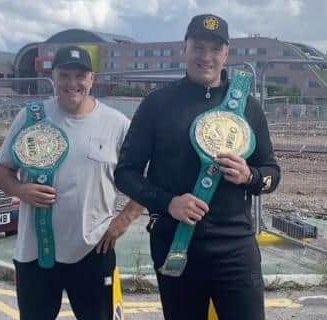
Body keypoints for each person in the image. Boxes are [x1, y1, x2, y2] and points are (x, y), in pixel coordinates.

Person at [114, 14, 281, 320]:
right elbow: (125, 174)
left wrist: (250, 176)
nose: (207, 57)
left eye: (215, 49)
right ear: (185, 49)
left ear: (227, 54)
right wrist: (168, 203)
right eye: (199, 47)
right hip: (175, 244)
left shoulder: (247, 107)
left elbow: (272, 173)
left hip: (234, 247)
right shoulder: (157, 104)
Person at [0, 46, 143, 320]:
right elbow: (0, 170)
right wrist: (18, 189)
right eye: (64, 75)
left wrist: (123, 220)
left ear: (92, 79)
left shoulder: (117, 124)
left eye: (80, 76)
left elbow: (146, 178)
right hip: (35, 253)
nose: (72, 84)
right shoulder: (30, 117)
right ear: (54, 77)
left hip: (93, 250)